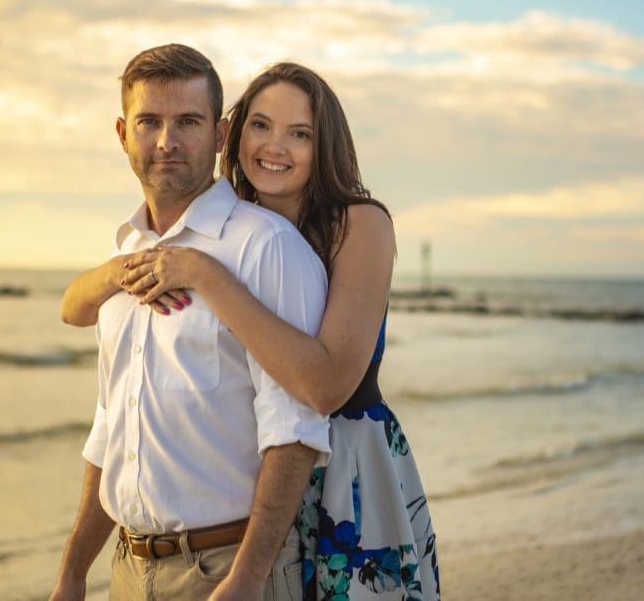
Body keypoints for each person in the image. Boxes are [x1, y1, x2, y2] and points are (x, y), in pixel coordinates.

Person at [61, 62, 440, 598]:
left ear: (323, 145)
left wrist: (205, 274)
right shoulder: (224, 226)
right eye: (260, 126)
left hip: (347, 468)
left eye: (300, 133)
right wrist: (119, 270)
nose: (275, 146)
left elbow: (323, 388)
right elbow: (75, 311)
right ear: (233, 138)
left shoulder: (355, 225)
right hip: (264, 485)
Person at [49, 44, 332, 601]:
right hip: (127, 570)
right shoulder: (125, 259)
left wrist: (246, 579)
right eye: (149, 121)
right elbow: (111, 426)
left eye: (188, 122)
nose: (166, 141)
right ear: (121, 132)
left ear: (221, 135)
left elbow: (294, 429)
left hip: (227, 571)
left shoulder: (266, 247)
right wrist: (73, 573)